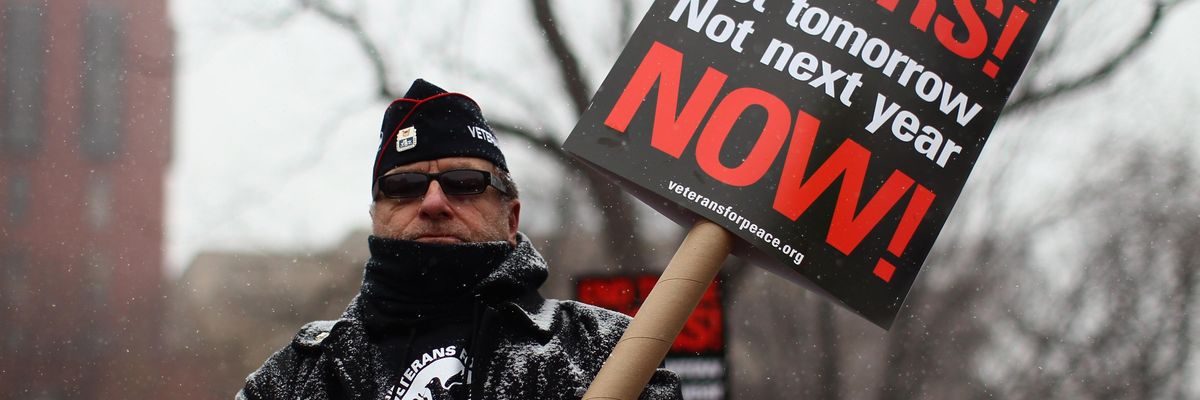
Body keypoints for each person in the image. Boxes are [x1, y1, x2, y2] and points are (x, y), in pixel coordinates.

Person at [237, 79, 682, 400]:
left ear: (511, 217)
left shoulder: (607, 353)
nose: (432, 202)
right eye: (404, 185)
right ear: (376, 216)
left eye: (465, 182)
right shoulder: (295, 379)